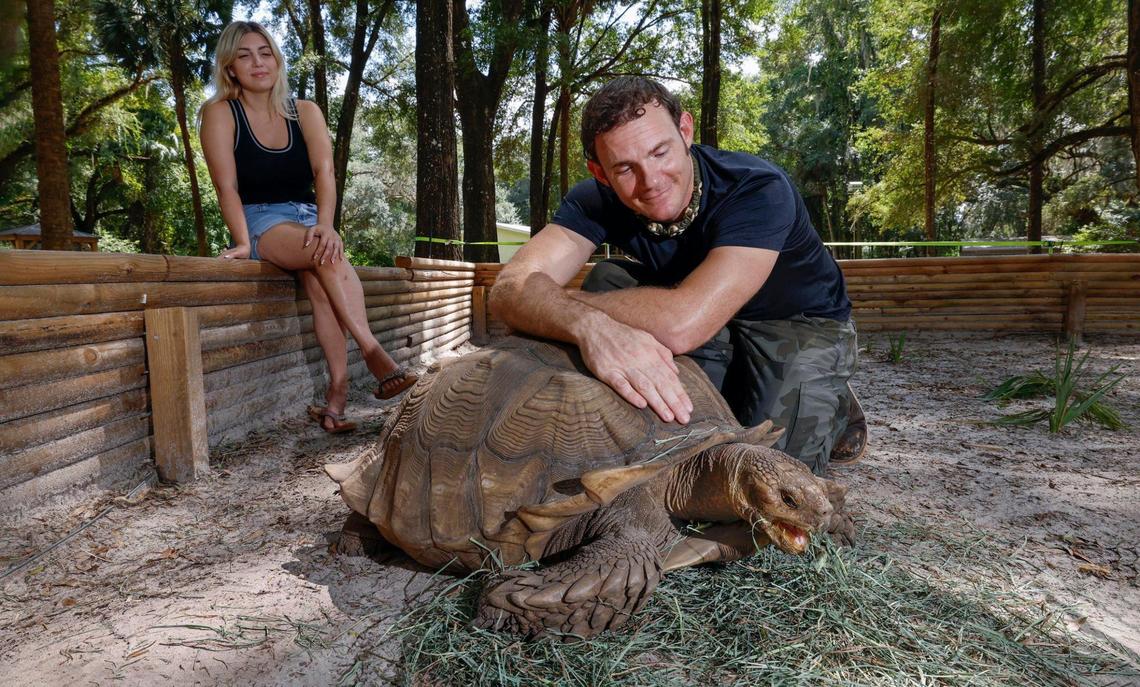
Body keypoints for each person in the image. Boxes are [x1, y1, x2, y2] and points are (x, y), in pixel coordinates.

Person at [489, 76, 866, 475]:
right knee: (608, 279)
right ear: (600, 173)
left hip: (797, 326)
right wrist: (587, 325)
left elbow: (682, 325)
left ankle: (829, 396)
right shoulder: (594, 200)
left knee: (767, 477)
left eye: (659, 152)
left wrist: (566, 305)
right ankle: (732, 388)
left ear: (685, 131)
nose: (650, 181)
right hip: (700, 316)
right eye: (625, 168)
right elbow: (509, 288)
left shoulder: (757, 188)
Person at [199, 21, 416, 433]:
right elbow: (224, 185)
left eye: (265, 52)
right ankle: (373, 352)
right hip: (261, 218)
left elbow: (325, 172)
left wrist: (326, 225)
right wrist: (244, 242)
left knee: (320, 279)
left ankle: (337, 394)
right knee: (322, 252)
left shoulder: (306, 112)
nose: (257, 62)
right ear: (230, 68)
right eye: (244, 55)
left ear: (277, 60)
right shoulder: (220, 113)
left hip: (308, 217)